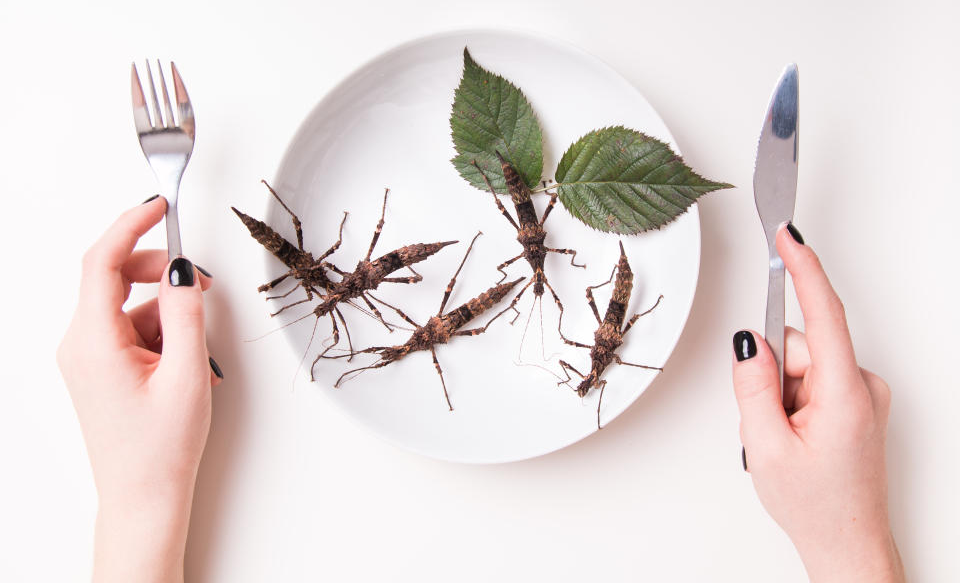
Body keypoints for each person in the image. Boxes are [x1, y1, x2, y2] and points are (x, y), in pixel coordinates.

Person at [57, 197, 905, 582]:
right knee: (420, 323)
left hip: (462, 295)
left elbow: (396, 301)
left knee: (449, 306)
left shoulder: (428, 317)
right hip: (447, 301)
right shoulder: (394, 317)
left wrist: (138, 508)